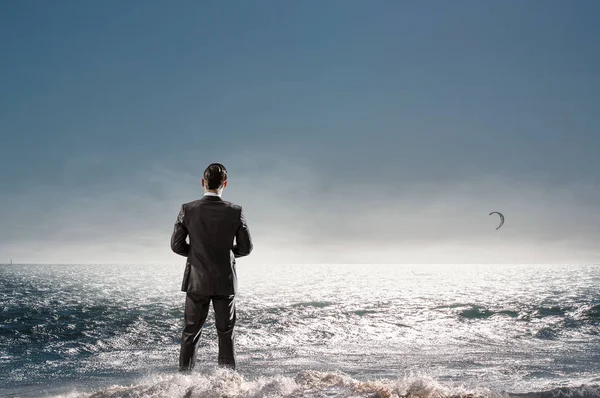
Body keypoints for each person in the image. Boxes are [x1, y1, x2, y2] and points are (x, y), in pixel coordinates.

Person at [171, 163, 253, 372]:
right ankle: (226, 382)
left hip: (196, 281)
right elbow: (246, 247)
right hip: (225, 281)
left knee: (191, 332)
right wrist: (226, 253)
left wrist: (198, 254)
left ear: (203, 182)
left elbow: (176, 245)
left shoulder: (187, 209)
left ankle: (184, 381)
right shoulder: (235, 211)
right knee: (225, 333)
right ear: (225, 184)